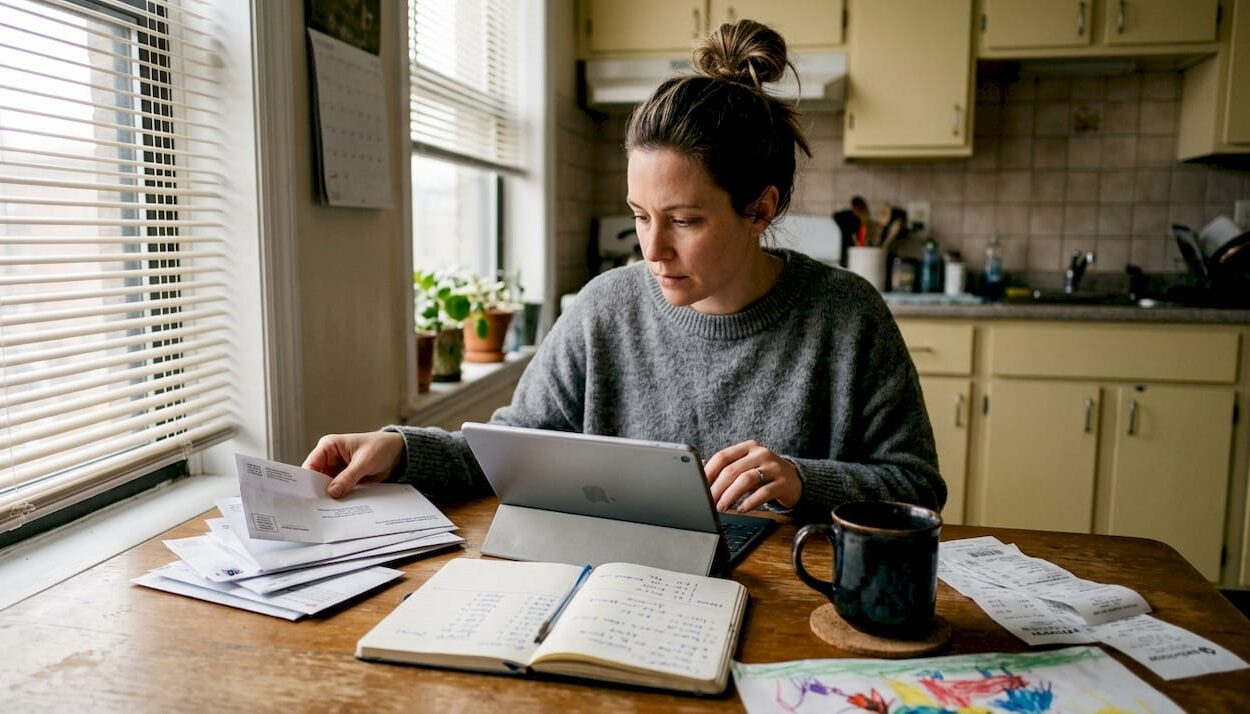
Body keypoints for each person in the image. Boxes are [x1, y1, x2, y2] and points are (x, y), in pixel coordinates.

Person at [304, 19, 945, 521]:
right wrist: (401, 448)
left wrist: (804, 480)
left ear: (760, 208)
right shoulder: (603, 307)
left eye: (685, 220)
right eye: (640, 215)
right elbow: (514, 448)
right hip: (619, 585)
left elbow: (917, 486)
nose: (652, 249)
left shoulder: (847, 315)